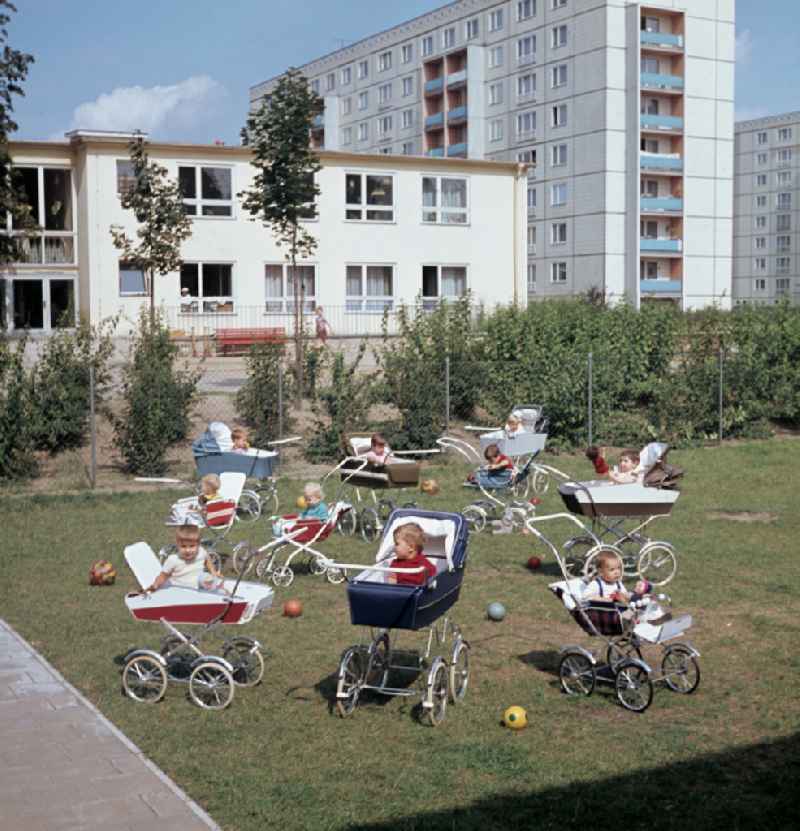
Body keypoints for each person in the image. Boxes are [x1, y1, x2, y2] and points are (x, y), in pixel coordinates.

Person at [145, 524, 225, 593]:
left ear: (198, 544)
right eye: (183, 546)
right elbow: (163, 576)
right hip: (179, 590)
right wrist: (154, 586)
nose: (188, 550)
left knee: (207, 578)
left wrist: (213, 572)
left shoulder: (201, 552)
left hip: (197, 588)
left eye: (192, 546)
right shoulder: (173, 560)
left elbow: (207, 559)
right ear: (177, 544)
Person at [583, 550, 651, 604]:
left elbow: (625, 595)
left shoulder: (618, 583)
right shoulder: (596, 584)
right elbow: (585, 597)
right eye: (612, 570)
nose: (617, 572)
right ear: (601, 572)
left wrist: (636, 596)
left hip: (618, 612)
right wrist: (603, 599)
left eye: (618, 568)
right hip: (603, 613)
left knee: (637, 604)